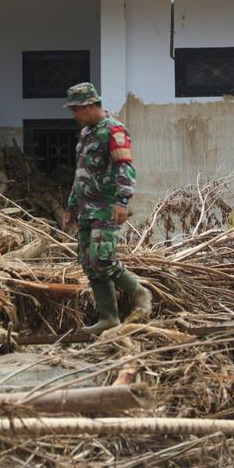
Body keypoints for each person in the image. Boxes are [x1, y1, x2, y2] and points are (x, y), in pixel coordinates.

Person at [61, 83, 152, 333]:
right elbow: (80, 174)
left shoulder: (113, 130)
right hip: (85, 209)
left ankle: (139, 292)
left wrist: (122, 202)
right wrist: (70, 207)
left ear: (91, 105)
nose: (74, 115)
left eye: (77, 109)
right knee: (89, 264)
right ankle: (109, 317)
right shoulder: (86, 134)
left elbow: (126, 168)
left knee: (103, 259)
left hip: (106, 209)